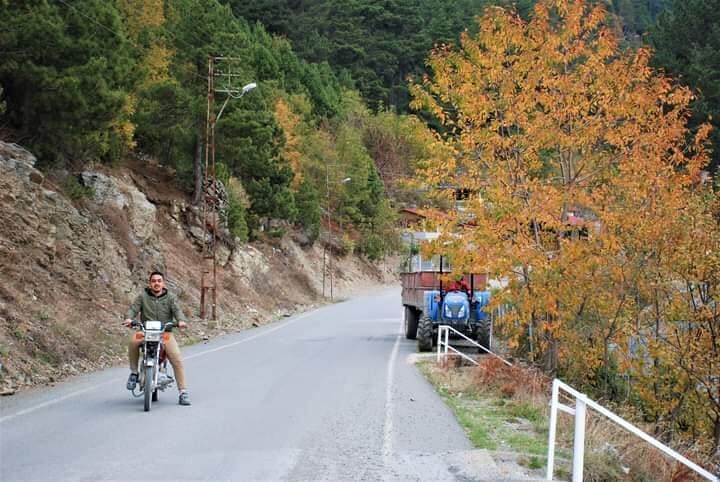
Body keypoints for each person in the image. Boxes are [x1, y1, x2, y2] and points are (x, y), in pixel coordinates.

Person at [123, 271, 191, 406]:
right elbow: (133, 309)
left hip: (164, 333)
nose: (156, 283)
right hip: (145, 331)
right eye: (153, 281)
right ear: (150, 283)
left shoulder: (170, 297)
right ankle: (134, 373)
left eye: (159, 281)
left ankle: (183, 392)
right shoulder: (143, 296)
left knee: (177, 358)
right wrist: (129, 318)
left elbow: (177, 311)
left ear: (163, 283)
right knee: (133, 341)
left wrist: (181, 321)